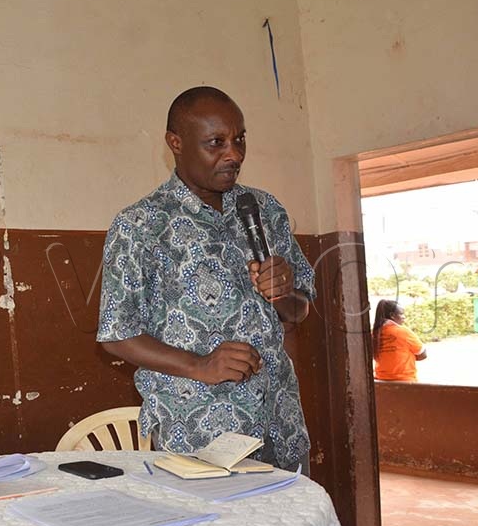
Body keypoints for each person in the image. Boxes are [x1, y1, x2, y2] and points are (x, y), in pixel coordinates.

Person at [97, 86, 316, 473]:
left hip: (280, 424)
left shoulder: (265, 209)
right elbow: (117, 334)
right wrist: (200, 365)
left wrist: (282, 293)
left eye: (239, 139)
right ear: (175, 143)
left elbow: (298, 312)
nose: (233, 154)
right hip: (199, 439)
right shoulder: (140, 225)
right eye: (216, 143)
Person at [372, 300, 426, 382]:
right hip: (405, 381)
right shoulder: (403, 332)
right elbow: (423, 355)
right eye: (401, 314)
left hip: (380, 381)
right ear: (392, 315)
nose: (404, 317)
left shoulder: (373, 333)